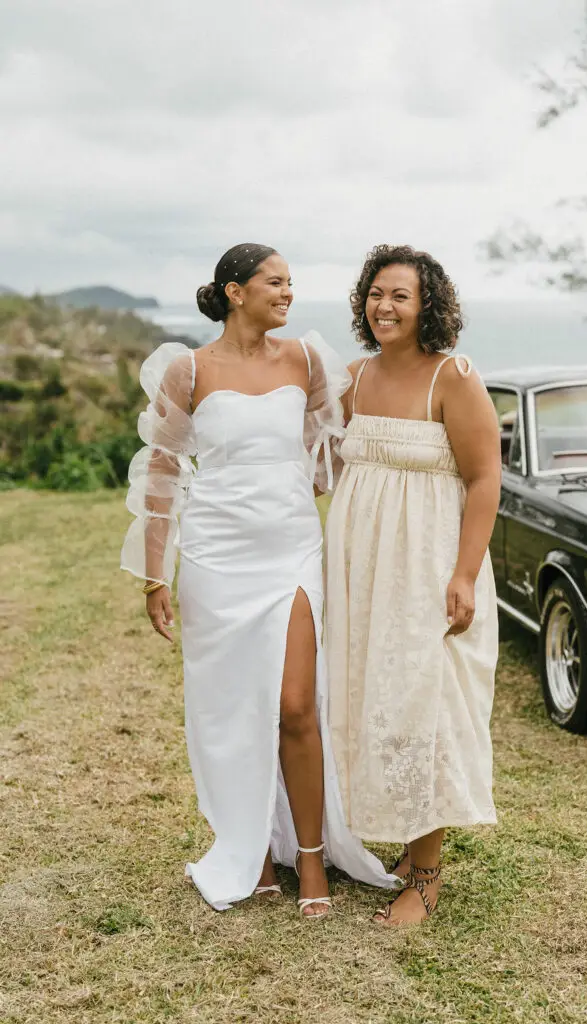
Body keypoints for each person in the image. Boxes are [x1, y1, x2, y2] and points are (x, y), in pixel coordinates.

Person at [121, 243, 395, 917]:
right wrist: (155, 575)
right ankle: (248, 844)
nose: (287, 294)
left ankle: (308, 857)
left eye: (290, 283)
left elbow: (335, 449)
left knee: (297, 704)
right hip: (215, 558)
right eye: (275, 283)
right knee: (234, 712)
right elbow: (160, 473)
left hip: (291, 551)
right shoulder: (187, 371)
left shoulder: (305, 360)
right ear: (234, 291)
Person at [324, 244, 501, 925]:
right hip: (360, 567)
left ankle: (425, 876)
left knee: (418, 706)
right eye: (374, 293)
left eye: (399, 294)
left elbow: (485, 479)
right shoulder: (352, 377)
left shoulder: (451, 377)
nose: (383, 305)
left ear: (427, 304)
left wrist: (461, 575)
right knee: (374, 700)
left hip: (427, 566)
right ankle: (401, 843)